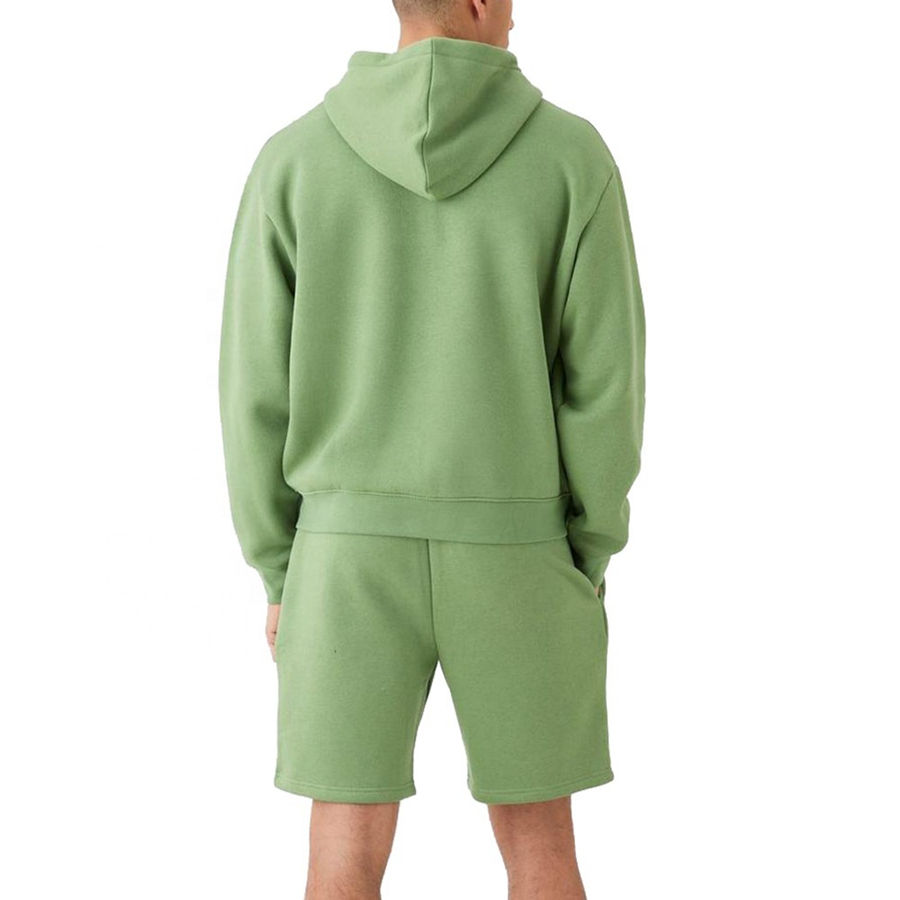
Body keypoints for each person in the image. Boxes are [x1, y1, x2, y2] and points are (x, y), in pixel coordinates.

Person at [218, 0, 646, 896]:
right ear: (482, 1)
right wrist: (587, 549)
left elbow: (253, 391)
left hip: (343, 559)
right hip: (522, 551)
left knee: (342, 846)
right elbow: (606, 387)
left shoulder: (293, 159)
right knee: (541, 844)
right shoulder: (572, 158)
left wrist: (282, 570)